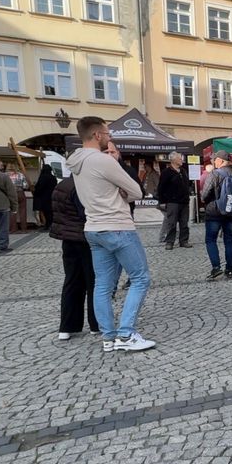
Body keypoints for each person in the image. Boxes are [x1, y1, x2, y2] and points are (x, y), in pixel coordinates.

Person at [66, 116, 155, 353]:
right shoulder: (101, 161)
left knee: (102, 286)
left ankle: (108, 337)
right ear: (97, 135)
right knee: (140, 278)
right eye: (107, 133)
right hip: (117, 225)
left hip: (93, 228)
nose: (109, 137)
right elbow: (136, 190)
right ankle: (125, 334)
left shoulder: (76, 162)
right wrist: (121, 193)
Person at [49, 175, 99, 340]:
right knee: (93, 281)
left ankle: (67, 326)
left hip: (68, 239)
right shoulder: (81, 185)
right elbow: (85, 213)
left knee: (71, 281)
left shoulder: (62, 185)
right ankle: (95, 323)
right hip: (84, 238)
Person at [200, 151, 232, 280]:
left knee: (211, 240)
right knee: (229, 241)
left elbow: (205, 194)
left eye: (215, 160)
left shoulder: (215, 174)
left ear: (221, 161)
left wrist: (205, 200)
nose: (214, 162)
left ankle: (216, 268)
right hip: (231, 212)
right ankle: (229, 270)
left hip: (214, 212)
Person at [157, 152, 192, 250]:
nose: (182, 160)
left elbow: (187, 184)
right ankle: (170, 241)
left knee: (184, 223)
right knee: (171, 223)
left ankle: (184, 240)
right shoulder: (166, 172)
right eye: (180, 159)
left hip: (184, 202)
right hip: (172, 202)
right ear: (173, 160)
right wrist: (162, 201)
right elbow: (161, 188)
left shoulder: (183, 171)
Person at [33, 164, 58, 231]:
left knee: (46, 212)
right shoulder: (53, 177)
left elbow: (39, 187)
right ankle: (51, 225)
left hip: (43, 197)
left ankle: (47, 225)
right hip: (51, 197)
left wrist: (36, 192)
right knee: (51, 212)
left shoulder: (43, 177)